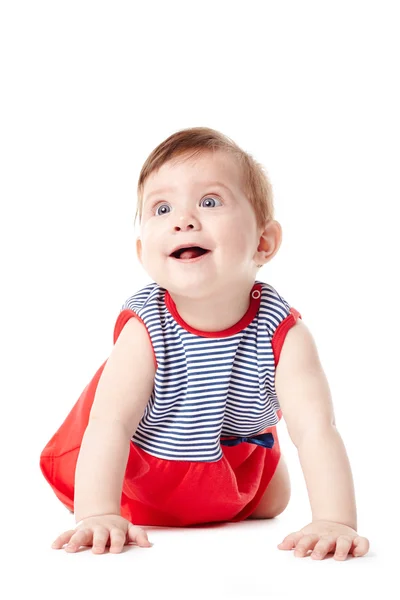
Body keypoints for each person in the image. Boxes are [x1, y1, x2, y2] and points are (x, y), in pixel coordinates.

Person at [40, 126, 370, 560]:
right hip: (141, 467)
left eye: (210, 202)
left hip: (221, 455)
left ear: (263, 242)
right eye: (161, 208)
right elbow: (110, 424)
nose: (183, 219)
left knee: (275, 501)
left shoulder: (283, 334)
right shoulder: (147, 327)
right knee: (112, 480)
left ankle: (235, 470)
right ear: (144, 254)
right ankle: (119, 501)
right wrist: (97, 512)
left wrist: (335, 520)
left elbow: (315, 430)